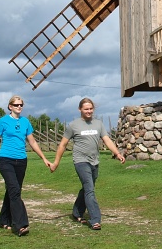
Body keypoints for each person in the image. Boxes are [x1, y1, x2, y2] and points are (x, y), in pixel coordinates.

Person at [50, 97, 125, 230]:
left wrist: (117, 153)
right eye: (86, 109)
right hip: (80, 160)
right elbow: (63, 144)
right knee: (89, 189)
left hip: (94, 160)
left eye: (91, 109)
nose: (89, 111)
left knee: (87, 188)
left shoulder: (98, 124)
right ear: (80, 109)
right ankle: (95, 219)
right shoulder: (73, 125)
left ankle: (77, 212)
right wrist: (56, 162)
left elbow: (107, 140)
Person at [0, 95, 50, 237]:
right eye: (16, 105)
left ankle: (3, 220)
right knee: (14, 191)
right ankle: (20, 225)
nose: (19, 107)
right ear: (10, 107)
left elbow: (32, 142)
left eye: (21, 105)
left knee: (13, 191)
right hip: (5, 160)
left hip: (21, 161)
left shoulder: (25, 122)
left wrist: (44, 158)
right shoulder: (3, 121)